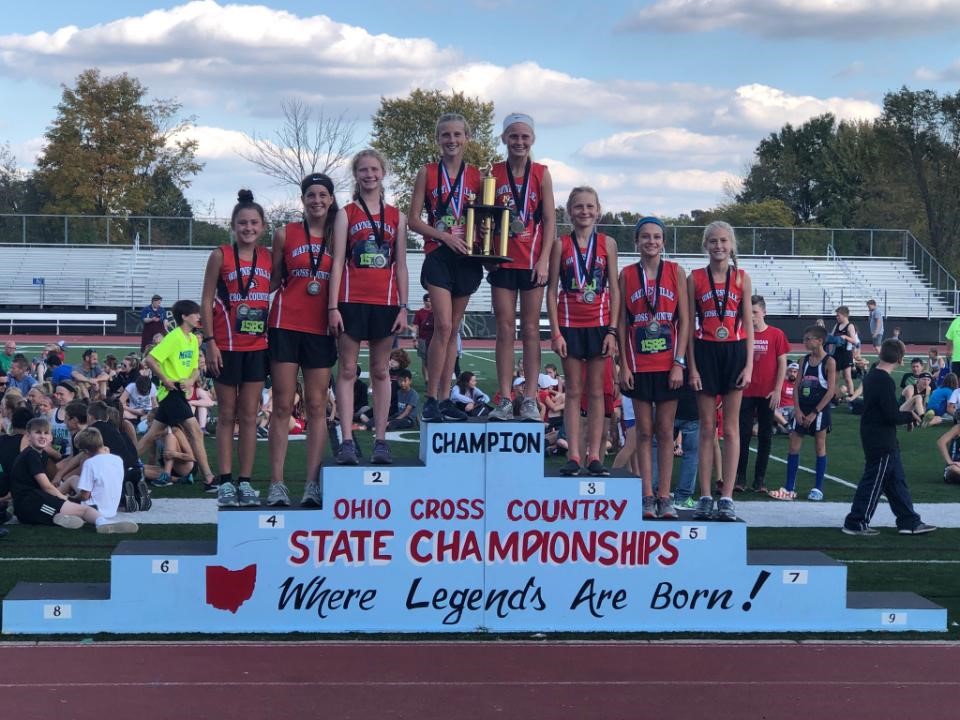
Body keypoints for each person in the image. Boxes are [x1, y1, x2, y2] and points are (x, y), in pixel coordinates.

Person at [328, 148, 408, 466]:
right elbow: (337, 263)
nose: (369, 174)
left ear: (383, 173)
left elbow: (400, 265)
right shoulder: (346, 213)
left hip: (386, 303)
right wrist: (333, 306)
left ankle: (381, 441)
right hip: (351, 301)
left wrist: (404, 306)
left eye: (374, 169)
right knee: (347, 370)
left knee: (380, 370)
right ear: (356, 174)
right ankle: (347, 439)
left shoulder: (396, 216)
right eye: (363, 170)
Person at [267, 173, 339, 507]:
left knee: (316, 405)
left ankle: (312, 483)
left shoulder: (339, 237)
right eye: (311, 195)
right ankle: (277, 483)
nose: (317, 201)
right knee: (282, 405)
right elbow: (273, 280)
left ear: (331, 199)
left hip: (322, 329)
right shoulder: (285, 234)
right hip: (284, 324)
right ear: (302, 200)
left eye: (323, 195)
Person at [408, 113, 484, 423]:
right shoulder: (426, 173)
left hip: (466, 258)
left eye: (457, 134)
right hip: (439, 254)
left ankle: (445, 396)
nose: (451, 140)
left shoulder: (478, 177)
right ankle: (430, 399)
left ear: (467, 138)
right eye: (445, 135)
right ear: (438, 140)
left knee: (453, 329)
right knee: (441, 326)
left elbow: (485, 218)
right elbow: (413, 219)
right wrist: (443, 237)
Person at [200, 190, 272, 508]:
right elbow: (204, 301)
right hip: (226, 346)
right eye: (242, 222)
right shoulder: (220, 255)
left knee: (250, 416)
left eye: (254, 222)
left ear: (263, 226)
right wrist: (209, 341)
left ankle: (245, 481)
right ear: (233, 225)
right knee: (227, 415)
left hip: (257, 345)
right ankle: (226, 481)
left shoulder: (269, 257)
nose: (248, 228)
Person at [618, 216, 688, 519]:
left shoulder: (675, 271)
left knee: (665, 432)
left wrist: (679, 362)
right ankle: (647, 494)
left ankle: (665, 495)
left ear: (663, 241)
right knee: (643, 432)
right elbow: (621, 322)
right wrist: (623, 363)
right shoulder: (627, 274)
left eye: (656, 237)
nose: (651, 242)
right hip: (638, 363)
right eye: (645, 237)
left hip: (667, 363)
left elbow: (684, 320)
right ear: (637, 241)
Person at [487, 113, 556, 422]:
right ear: (504, 138)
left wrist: (543, 261)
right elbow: (484, 214)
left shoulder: (542, 173)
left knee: (530, 330)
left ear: (532, 140)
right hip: (502, 260)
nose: (519, 141)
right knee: (504, 329)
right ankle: (504, 396)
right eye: (513, 136)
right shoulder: (492, 171)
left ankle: (528, 397)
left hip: (531, 262)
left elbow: (551, 221)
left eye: (524, 136)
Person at [547, 186, 619, 477]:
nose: (585, 212)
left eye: (590, 206)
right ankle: (574, 455)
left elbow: (614, 288)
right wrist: (555, 333)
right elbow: (551, 290)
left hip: (600, 325)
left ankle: (595, 455)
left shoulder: (608, 243)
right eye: (579, 207)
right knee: (574, 392)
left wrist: (613, 331)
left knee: (597, 394)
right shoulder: (560, 245)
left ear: (598, 210)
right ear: (570, 211)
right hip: (570, 325)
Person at [687, 221, 753, 521]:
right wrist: (692, 365)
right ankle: (703, 495)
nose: (718, 246)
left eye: (724, 241)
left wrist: (750, 364)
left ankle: (726, 496)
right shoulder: (695, 278)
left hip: (735, 352)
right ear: (705, 245)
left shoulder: (741, 278)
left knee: (731, 428)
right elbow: (688, 327)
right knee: (706, 428)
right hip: (705, 351)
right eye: (713, 241)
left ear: (732, 245)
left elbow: (749, 326)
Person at [843, 339, 937, 536]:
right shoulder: (884, 380)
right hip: (881, 439)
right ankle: (856, 521)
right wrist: (910, 416)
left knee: (896, 482)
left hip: (877, 435)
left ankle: (909, 521)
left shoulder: (872, 376)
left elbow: (887, 411)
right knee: (873, 481)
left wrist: (906, 415)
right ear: (900, 358)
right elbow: (891, 415)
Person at [137, 299, 217, 491]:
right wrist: (165, 380)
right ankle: (209, 479)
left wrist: (190, 381)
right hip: (171, 392)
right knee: (195, 431)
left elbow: (197, 369)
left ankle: (123, 465)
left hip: (180, 392)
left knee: (152, 434)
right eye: (195, 313)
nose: (199, 316)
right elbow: (150, 359)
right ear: (184, 316)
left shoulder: (192, 339)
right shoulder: (174, 337)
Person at [10, 417, 138, 533]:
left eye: (46, 433)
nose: (42, 436)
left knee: (78, 508)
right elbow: (46, 486)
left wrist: (62, 494)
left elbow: (47, 485)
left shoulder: (39, 454)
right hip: (29, 504)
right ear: (28, 435)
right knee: (83, 510)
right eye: (38, 432)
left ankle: (66, 517)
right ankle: (102, 523)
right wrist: (63, 498)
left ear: (50, 437)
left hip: (33, 500)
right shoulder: (31, 455)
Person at [769, 325, 836, 501]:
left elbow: (830, 391)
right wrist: (797, 411)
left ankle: (818, 488)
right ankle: (789, 487)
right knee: (793, 446)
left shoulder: (829, 361)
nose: (804, 342)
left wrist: (815, 412)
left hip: (819, 411)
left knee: (820, 447)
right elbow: (797, 387)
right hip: (802, 410)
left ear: (819, 341)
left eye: (808, 339)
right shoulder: (803, 361)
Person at [735, 295, 788, 493]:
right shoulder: (742, 333)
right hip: (746, 392)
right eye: (749, 313)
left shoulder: (776, 334)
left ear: (764, 312)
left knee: (765, 436)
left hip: (767, 393)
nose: (752, 317)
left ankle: (759, 480)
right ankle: (740, 479)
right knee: (743, 435)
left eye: (755, 312)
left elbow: (782, 362)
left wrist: (777, 389)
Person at [831, 306, 859, 401]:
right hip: (836, 353)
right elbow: (831, 337)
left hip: (846, 354)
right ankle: (836, 396)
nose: (837, 317)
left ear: (844, 315)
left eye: (838, 315)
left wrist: (845, 337)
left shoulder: (850, 326)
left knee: (847, 377)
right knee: (834, 378)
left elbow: (855, 341)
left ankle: (851, 397)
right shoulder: (836, 325)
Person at [411, 295, 434, 385]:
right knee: (424, 360)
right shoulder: (419, 313)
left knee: (434, 360)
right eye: (428, 301)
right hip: (423, 339)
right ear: (424, 301)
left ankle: (433, 379)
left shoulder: (435, 311)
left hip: (434, 339)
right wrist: (414, 339)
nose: (430, 302)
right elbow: (415, 326)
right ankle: (427, 380)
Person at [774, 362, 799, 433]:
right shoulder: (781, 382)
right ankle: (788, 428)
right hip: (780, 411)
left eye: (795, 372)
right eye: (790, 371)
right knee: (770, 409)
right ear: (787, 372)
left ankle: (781, 428)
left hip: (794, 411)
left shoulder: (802, 384)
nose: (792, 373)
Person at [937, 419, 960, 484]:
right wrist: (949, 461)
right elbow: (941, 442)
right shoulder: (958, 428)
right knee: (953, 469)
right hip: (954, 467)